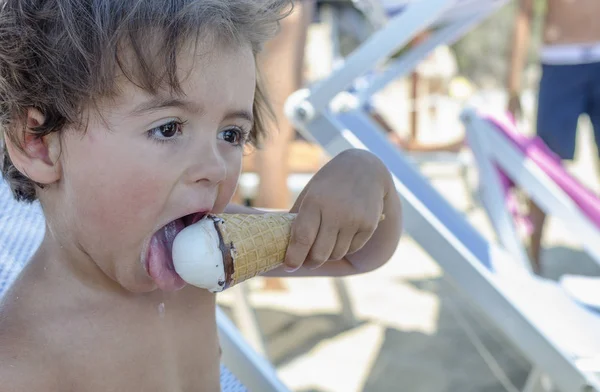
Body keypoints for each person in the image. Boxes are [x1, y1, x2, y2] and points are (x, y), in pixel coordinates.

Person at [0, 0, 403, 390]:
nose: (215, 167)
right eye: (169, 129)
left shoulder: (208, 251)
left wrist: (368, 177)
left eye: (231, 135)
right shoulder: (23, 360)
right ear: (38, 143)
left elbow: (357, 255)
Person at [506, 0, 600, 274]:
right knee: (545, 165)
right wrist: (513, 86)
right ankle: (532, 257)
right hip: (559, 61)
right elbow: (524, 13)